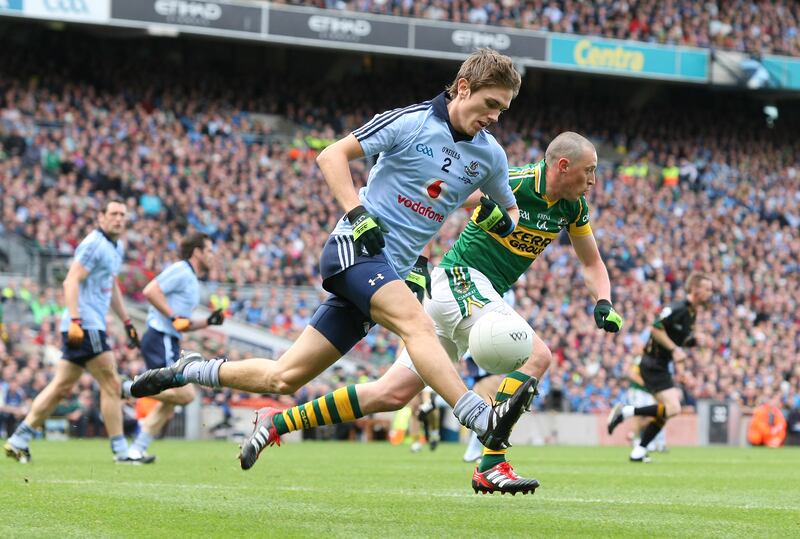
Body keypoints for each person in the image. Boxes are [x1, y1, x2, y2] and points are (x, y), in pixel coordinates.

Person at [132, 48, 538, 470]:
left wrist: (501, 220)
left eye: (503, 110)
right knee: (418, 325)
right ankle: (476, 415)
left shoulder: (490, 156)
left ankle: (193, 369)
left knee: (284, 377)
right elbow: (331, 155)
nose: (495, 116)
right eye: (491, 104)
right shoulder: (409, 121)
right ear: (464, 88)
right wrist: (357, 213)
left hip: (391, 272)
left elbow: (510, 212)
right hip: (355, 249)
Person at [202, 132, 622, 495]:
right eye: (590, 170)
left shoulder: (572, 208)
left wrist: (603, 300)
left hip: (466, 297)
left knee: (391, 394)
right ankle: (491, 463)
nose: (593, 180)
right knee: (539, 356)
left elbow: (591, 263)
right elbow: (443, 196)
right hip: (461, 278)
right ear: (563, 166)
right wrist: (421, 262)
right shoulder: (513, 182)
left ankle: (279, 422)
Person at [4, 200, 148, 464]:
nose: (118, 219)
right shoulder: (94, 244)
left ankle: (18, 439)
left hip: (87, 324)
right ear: (101, 217)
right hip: (86, 324)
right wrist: (75, 320)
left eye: (122, 215)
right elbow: (71, 280)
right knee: (112, 384)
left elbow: (110, 285)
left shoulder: (116, 246)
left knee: (60, 387)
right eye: (113, 213)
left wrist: (127, 322)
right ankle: (121, 451)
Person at [121, 232, 224, 460]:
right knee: (185, 395)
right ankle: (127, 389)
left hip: (169, 339)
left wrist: (208, 321)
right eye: (208, 250)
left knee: (171, 400)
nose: (212, 255)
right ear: (196, 252)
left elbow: (182, 324)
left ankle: (137, 448)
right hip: (160, 338)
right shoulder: (181, 270)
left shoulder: (191, 278)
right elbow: (150, 291)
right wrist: (173, 315)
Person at [607, 272, 714, 462]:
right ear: (695, 289)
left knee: (666, 411)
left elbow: (679, 342)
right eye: (707, 289)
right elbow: (656, 327)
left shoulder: (692, 313)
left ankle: (639, 450)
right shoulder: (678, 307)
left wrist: (694, 342)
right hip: (652, 363)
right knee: (673, 408)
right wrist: (674, 349)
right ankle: (626, 412)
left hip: (661, 365)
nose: (710, 293)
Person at [624, 356, 666, 452]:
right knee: (638, 416)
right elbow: (633, 375)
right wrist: (646, 384)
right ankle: (637, 440)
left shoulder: (657, 360)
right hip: (638, 391)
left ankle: (638, 437)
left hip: (649, 392)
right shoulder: (640, 359)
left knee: (653, 415)